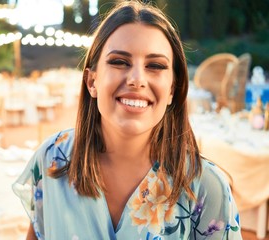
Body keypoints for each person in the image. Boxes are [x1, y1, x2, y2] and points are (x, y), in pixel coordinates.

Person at [13, 1, 242, 239]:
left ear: (172, 90)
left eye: (155, 65)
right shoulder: (52, 160)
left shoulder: (205, 187)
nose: (137, 79)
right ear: (92, 82)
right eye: (119, 62)